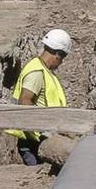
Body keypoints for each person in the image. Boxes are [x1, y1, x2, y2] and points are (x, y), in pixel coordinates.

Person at [5, 29, 72, 166]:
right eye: (62, 58)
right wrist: (42, 129)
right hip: (33, 141)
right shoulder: (36, 72)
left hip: (41, 137)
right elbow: (25, 101)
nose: (61, 63)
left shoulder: (44, 70)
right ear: (58, 55)